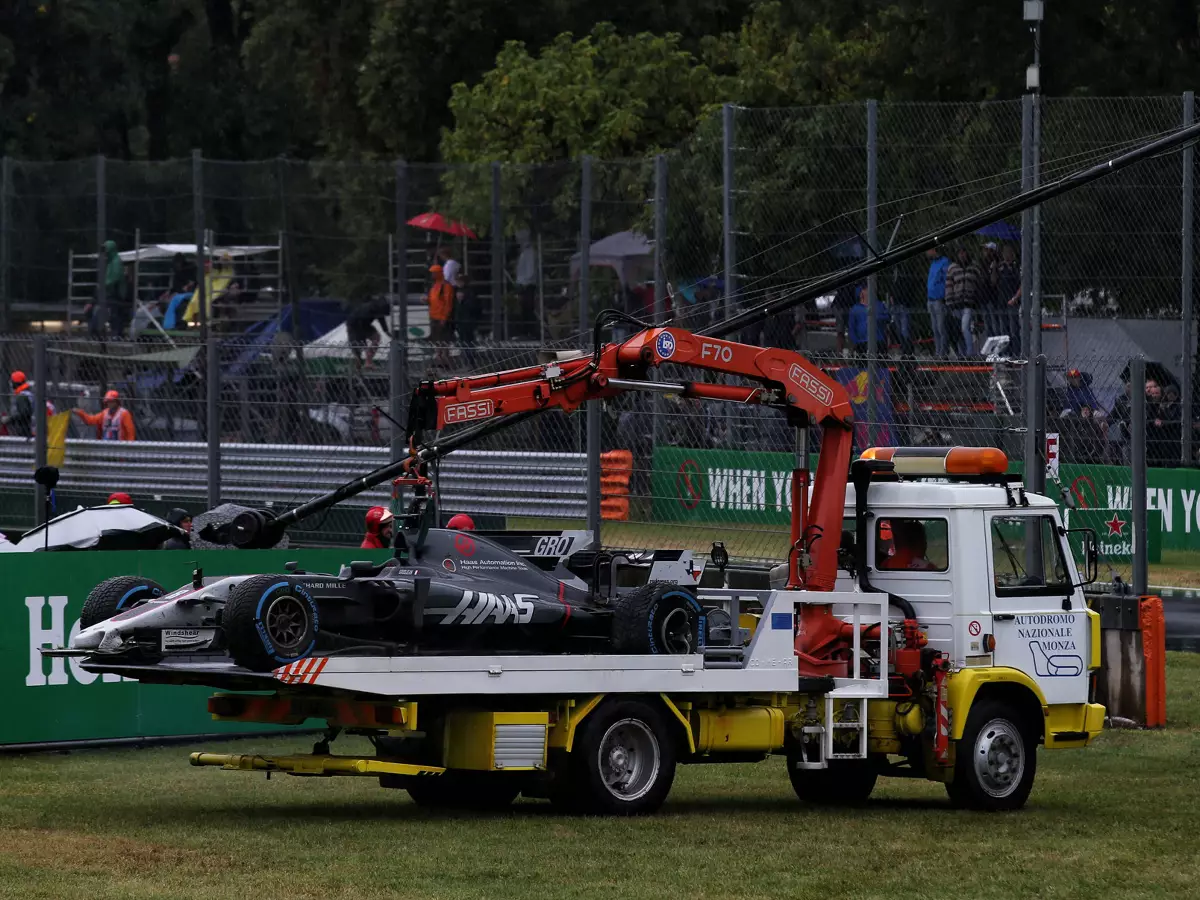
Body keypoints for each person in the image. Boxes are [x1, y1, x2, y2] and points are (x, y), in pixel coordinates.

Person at [346, 294, 391, 369]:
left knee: (376, 337)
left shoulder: (377, 308)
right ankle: (362, 361)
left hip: (360, 325)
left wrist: (388, 333)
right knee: (358, 346)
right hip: (355, 325)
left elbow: (382, 322)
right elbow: (356, 324)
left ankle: (367, 361)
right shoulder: (368, 308)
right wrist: (364, 343)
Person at [847, 284, 889, 357]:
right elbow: (851, 327)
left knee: (880, 364)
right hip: (862, 342)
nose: (868, 292)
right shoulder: (855, 309)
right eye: (865, 290)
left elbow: (887, 317)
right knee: (863, 365)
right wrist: (855, 342)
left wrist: (877, 318)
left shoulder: (879, 305)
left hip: (878, 340)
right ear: (861, 294)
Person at [426, 264, 454, 364]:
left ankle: (445, 360)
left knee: (444, 340)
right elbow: (433, 300)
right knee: (437, 339)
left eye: (433, 273)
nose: (432, 275)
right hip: (434, 316)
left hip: (442, 317)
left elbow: (448, 303)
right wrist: (427, 300)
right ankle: (439, 359)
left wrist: (445, 317)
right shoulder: (434, 286)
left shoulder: (446, 286)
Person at [925, 246, 950, 357]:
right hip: (930, 299)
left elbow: (946, 280)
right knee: (934, 328)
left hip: (939, 299)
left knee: (941, 327)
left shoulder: (945, 262)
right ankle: (937, 351)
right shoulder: (933, 263)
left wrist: (944, 295)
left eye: (928, 249)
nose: (927, 252)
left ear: (934, 250)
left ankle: (943, 351)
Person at [997, 243, 1022, 355]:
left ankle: (1016, 354)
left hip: (1013, 301)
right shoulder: (1000, 267)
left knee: (1013, 330)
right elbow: (994, 282)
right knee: (1004, 330)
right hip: (1002, 302)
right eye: (1004, 252)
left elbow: (1023, 284)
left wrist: (1015, 297)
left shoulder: (1017, 267)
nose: (1006, 255)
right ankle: (1005, 353)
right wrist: (993, 269)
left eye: (1008, 252)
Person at [452, 272, 479, 364]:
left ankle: (471, 361)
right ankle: (465, 360)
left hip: (468, 321)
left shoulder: (470, 292)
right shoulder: (456, 291)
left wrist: (462, 300)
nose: (458, 282)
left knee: (468, 341)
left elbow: (474, 306)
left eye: (460, 281)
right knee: (462, 341)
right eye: (457, 280)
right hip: (460, 321)